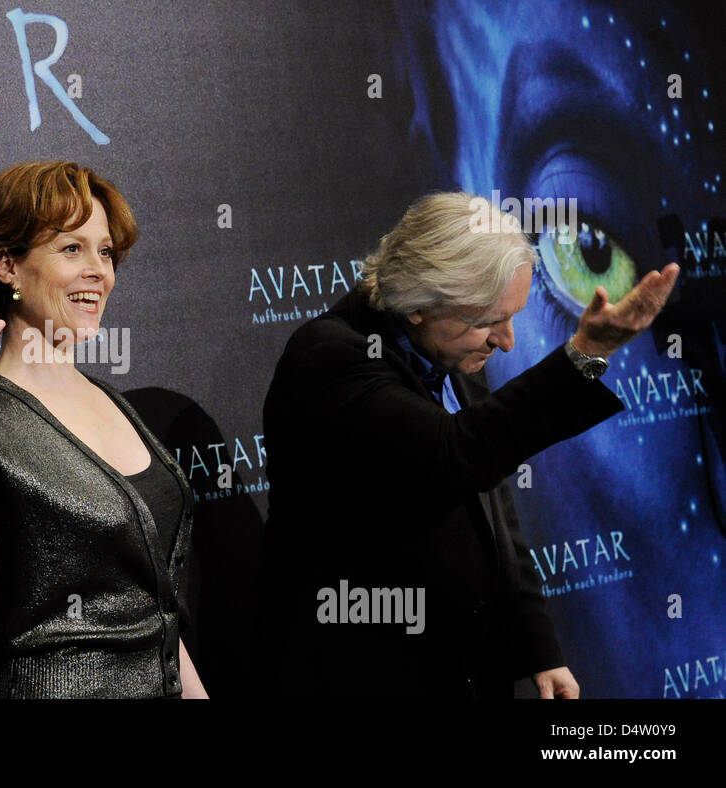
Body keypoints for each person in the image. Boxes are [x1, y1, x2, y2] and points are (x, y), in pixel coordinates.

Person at [254, 192, 680, 699]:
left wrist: (540, 650)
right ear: (418, 306)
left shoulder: (451, 354)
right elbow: (455, 455)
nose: (507, 342)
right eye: (487, 321)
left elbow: (493, 506)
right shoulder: (333, 358)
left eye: (511, 316)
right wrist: (584, 354)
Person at [0, 160, 206, 698]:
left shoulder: (114, 401)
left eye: (106, 252)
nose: (99, 270)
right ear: (8, 265)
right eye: (72, 249)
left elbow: (156, 613)